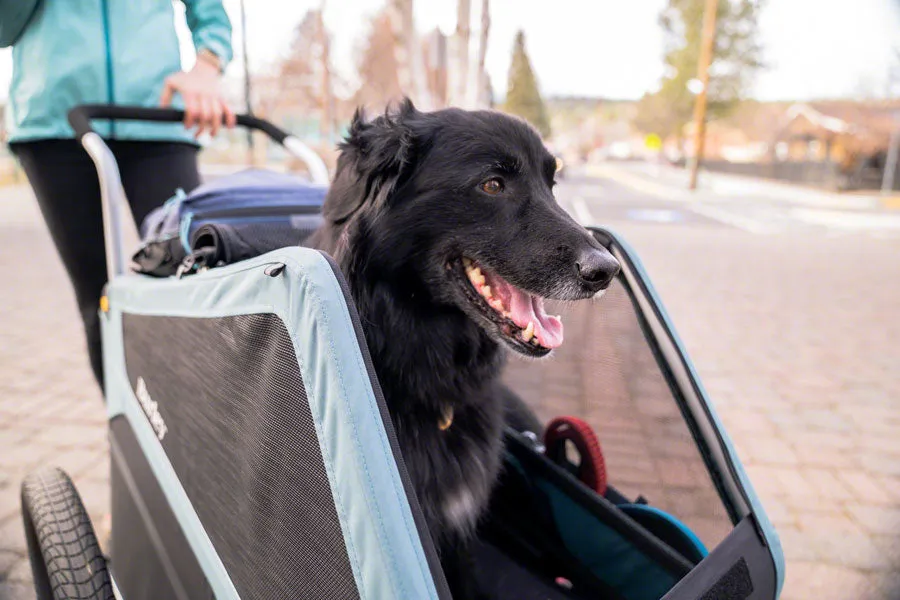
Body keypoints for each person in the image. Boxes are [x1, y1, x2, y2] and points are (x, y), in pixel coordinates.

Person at [2, 1, 235, 388]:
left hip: (156, 118)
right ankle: (123, 427)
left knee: (195, 285)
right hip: (56, 125)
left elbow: (209, 10)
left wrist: (207, 63)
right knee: (100, 301)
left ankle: (199, 431)